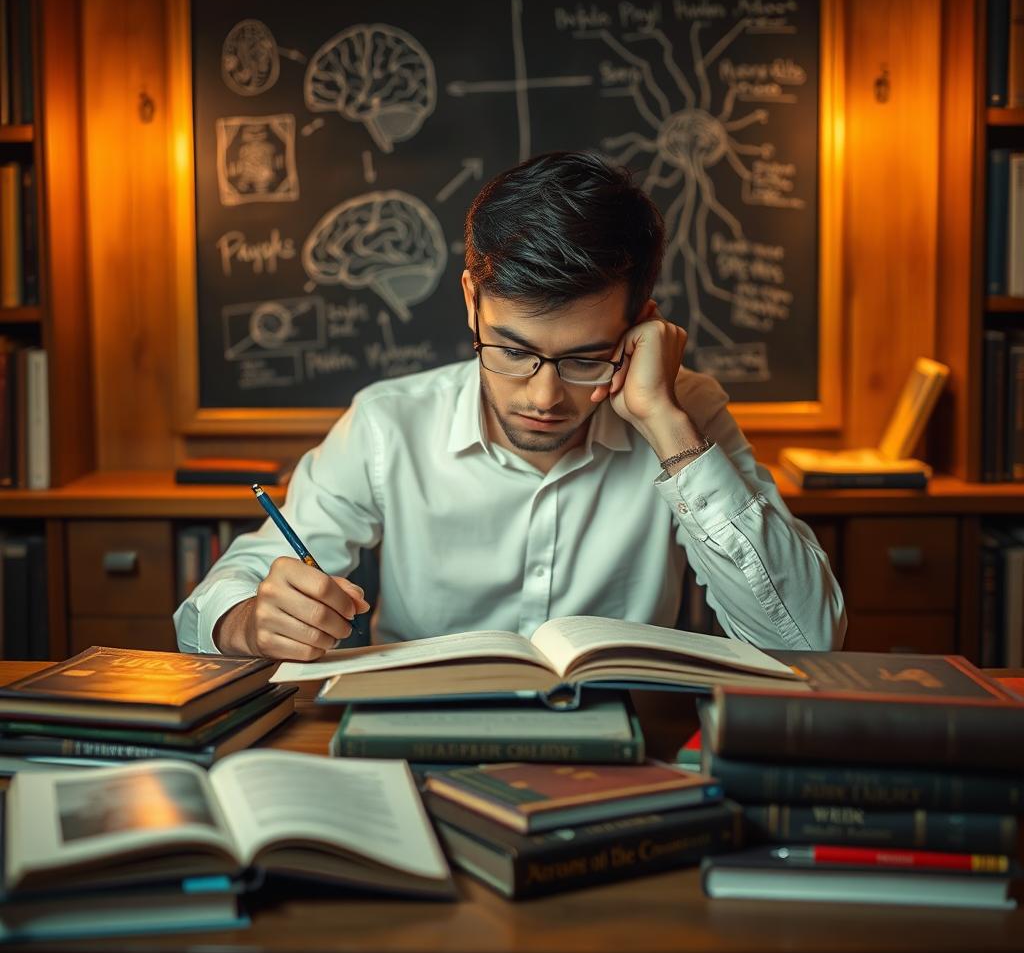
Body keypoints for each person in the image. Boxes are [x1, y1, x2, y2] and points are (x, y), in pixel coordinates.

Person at [174, 151, 846, 660]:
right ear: (472, 301)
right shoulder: (387, 424)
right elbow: (208, 607)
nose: (543, 396)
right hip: (425, 751)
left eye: (586, 358)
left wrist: (667, 425)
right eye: (512, 350)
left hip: (626, 765)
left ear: (641, 324)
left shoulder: (684, 411)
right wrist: (249, 622)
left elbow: (809, 641)